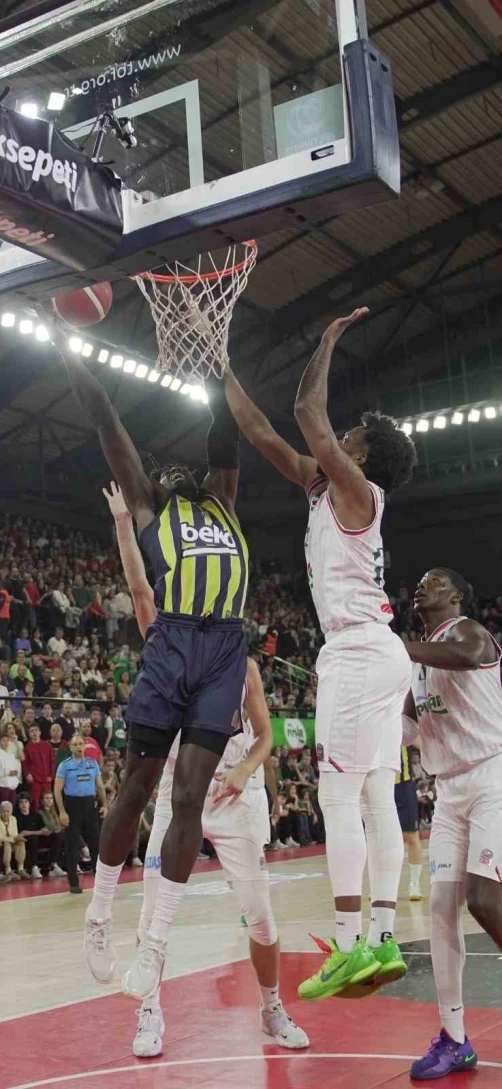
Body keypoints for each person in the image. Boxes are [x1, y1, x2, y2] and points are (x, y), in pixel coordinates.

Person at [223, 309, 417, 1000]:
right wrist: (221, 364)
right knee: (370, 793)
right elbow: (261, 430)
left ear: (359, 453)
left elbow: (307, 409)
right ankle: (382, 936)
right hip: (374, 651)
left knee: (339, 793)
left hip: (360, 652)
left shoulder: (359, 490)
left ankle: (349, 941)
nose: (347, 433)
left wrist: (328, 337)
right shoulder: (327, 486)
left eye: (354, 433)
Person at [64, 344, 249, 987]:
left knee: (189, 796)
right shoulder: (148, 506)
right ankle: (99, 912)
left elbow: (225, 429)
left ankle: (155, 943)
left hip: (225, 647)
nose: (176, 470)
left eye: (182, 467)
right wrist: (64, 347)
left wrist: (217, 352)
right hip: (171, 646)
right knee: (137, 789)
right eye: (164, 469)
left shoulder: (223, 499)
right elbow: (106, 417)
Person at [105, 479, 308, 1048]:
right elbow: (139, 586)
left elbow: (266, 735)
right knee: (152, 915)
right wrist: (125, 525)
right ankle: (150, 1014)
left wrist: (245, 771)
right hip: (180, 793)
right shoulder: (165, 635)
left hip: (234, 794)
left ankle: (272, 1008)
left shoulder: (237, 660)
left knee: (262, 918)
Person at [402, 568, 502, 1079]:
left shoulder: (469, 634)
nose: (422, 585)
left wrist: (394, 649)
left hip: (492, 778)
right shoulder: (416, 663)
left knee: (484, 900)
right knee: (441, 908)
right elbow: (404, 727)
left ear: (456, 595)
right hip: (448, 794)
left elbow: (464, 658)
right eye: (419, 581)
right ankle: (455, 1038)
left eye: (434, 580)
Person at [54, 734, 106, 894]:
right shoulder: (64, 765)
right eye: (75, 744)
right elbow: (57, 789)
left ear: (85, 746)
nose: (78, 747)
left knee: (96, 844)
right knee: (72, 846)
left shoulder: (92, 763)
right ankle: (74, 883)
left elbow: (100, 786)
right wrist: (62, 811)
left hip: (89, 805)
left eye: (80, 744)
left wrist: (105, 805)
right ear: (70, 747)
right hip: (72, 805)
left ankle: (100, 880)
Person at [395, 744, 423, 902]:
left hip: (404, 786)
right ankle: (379, 886)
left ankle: (414, 884)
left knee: (412, 836)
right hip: (380, 784)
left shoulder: (404, 720)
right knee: (381, 839)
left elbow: (420, 741)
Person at [23, 723, 55, 812]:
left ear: (40, 732)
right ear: (29, 734)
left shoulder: (47, 745)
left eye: (36, 730)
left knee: (48, 803)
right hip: (34, 781)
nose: (34, 733)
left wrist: (51, 775)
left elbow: (52, 762)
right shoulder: (27, 748)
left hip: (47, 780)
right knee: (35, 803)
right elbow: (25, 764)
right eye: (32, 731)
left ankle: (51, 821)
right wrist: (27, 774)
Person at [0, 799, 26, 880]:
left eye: (8, 811)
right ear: (0, 811)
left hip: (10, 841)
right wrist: (13, 839)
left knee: (21, 842)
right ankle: (8, 870)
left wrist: (16, 838)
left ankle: (20, 869)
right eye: (3, 811)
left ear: (11, 812)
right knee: (6, 843)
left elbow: (15, 834)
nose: (6, 813)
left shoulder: (13, 819)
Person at [0, 731, 21, 809]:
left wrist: (15, 775)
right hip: (2, 786)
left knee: (12, 809)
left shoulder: (11, 754)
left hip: (12, 786)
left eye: (7, 740)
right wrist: (7, 772)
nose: (5, 742)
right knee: (3, 809)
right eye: (3, 740)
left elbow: (15, 768)